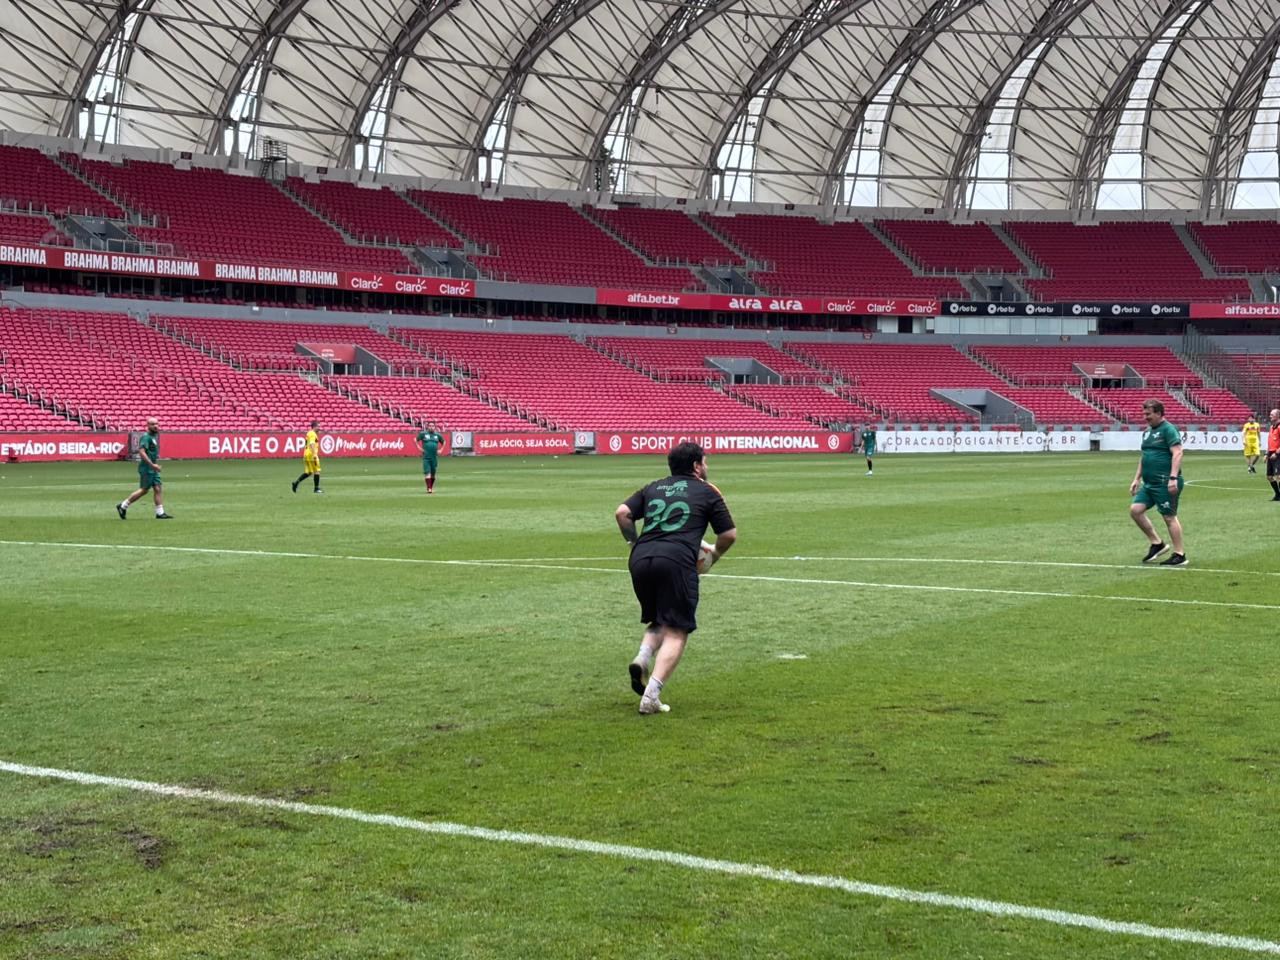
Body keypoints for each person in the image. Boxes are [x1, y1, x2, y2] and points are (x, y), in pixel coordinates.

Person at [615, 441, 737, 715]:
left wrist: (634, 543)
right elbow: (728, 535)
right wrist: (714, 556)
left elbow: (622, 513)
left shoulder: (654, 487)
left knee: (660, 618)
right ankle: (651, 696)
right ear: (696, 466)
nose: (706, 466)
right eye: (704, 461)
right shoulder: (707, 491)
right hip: (676, 561)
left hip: (641, 560)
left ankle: (642, 658)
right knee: (677, 630)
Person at [1129, 399, 1185, 566]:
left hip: (1164, 482)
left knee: (1169, 517)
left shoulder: (1168, 429)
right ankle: (1157, 543)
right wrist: (1136, 478)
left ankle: (1180, 554)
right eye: (1144, 413)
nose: (1145, 417)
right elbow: (1144, 456)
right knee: (1135, 510)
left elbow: (1178, 452)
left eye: (1148, 414)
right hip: (1149, 483)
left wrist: (1173, 478)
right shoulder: (1147, 432)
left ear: (1159, 413)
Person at [117, 417, 173, 519]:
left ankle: (160, 513)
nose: (156, 426)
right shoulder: (146, 437)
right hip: (147, 467)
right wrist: (152, 465)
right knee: (144, 490)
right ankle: (123, 506)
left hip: (153, 467)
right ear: (148, 425)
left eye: (157, 424)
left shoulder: (153, 436)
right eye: (153, 424)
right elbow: (141, 452)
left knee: (158, 488)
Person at [292, 421, 322, 493]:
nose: (319, 428)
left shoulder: (309, 433)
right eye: (318, 426)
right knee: (317, 471)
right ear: (314, 427)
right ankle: (316, 489)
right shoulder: (312, 434)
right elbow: (312, 444)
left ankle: (296, 483)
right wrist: (314, 454)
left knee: (309, 472)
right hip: (311, 455)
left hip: (306, 454)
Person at [416, 422, 445, 493]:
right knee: (427, 473)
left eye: (432, 426)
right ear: (427, 427)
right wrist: (419, 448)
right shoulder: (423, 434)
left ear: (435, 427)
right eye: (430, 426)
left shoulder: (438, 435)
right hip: (426, 457)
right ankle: (429, 488)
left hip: (434, 457)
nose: (431, 427)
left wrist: (441, 449)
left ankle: (430, 488)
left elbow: (444, 442)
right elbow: (415, 440)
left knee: (433, 474)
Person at [1267, 409, 1280, 501]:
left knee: (1279, 476)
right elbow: (1270, 441)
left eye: (1272, 414)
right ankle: (1277, 495)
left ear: (1278, 416)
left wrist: (1276, 453)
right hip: (1271, 454)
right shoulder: (1271, 427)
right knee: (1269, 477)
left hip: (1278, 454)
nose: (1270, 416)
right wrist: (1266, 453)